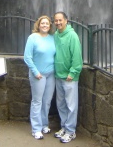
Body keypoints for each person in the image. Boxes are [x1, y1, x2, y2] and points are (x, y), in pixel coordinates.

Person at [24, 15, 56, 140]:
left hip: (51, 74)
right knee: (37, 101)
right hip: (38, 75)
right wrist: (35, 72)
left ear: (50, 26)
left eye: (47, 23)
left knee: (47, 101)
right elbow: (27, 57)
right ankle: (36, 129)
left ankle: (44, 124)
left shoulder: (52, 38)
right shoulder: (32, 38)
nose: (45, 25)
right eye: (42, 23)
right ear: (38, 24)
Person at [53, 11, 83, 144]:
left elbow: (77, 57)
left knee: (71, 105)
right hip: (58, 75)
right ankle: (64, 127)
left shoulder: (72, 36)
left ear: (66, 21)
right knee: (61, 104)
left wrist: (73, 72)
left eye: (60, 20)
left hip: (69, 77)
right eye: (56, 21)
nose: (58, 23)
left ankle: (71, 131)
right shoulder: (55, 35)